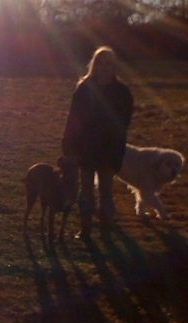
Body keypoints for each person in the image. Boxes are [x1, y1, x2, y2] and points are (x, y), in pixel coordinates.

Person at [62, 46, 134, 240]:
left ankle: (106, 228)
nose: (104, 68)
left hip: (109, 149)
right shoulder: (84, 89)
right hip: (85, 148)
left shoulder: (122, 92)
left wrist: (113, 141)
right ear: (94, 65)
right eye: (100, 63)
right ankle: (85, 229)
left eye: (108, 64)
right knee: (86, 190)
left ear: (114, 67)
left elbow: (124, 122)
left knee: (106, 190)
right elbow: (73, 118)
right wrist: (69, 144)